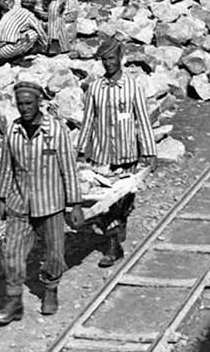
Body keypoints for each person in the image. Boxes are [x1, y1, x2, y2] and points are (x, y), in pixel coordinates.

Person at [0, 80, 84, 324]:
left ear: (39, 103)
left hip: (51, 204)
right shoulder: (13, 131)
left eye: (29, 103)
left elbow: (69, 168)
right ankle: (13, 301)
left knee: (54, 253)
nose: (24, 108)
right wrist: (2, 197)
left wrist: (75, 204)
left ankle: (50, 289)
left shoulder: (55, 130)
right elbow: (7, 166)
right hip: (19, 202)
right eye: (20, 104)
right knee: (10, 252)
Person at [79, 39, 157, 268]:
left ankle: (119, 223)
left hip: (127, 155)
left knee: (123, 198)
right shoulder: (95, 88)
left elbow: (142, 120)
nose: (108, 64)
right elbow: (88, 122)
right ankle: (113, 246)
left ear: (120, 59)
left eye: (112, 58)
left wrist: (150, 151)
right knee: (106, 201)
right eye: (104, 60)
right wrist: (81, 150)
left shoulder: (133, 87)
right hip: (102, 156)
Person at [0, 0, 46, 64]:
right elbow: (40, 31)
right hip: (7, 50)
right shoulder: (28, 15)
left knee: (17, 33)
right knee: (33, 33)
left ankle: (2, 57)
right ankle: (17, 58)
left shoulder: (12, 11)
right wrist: (45, 44)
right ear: (33, 5)